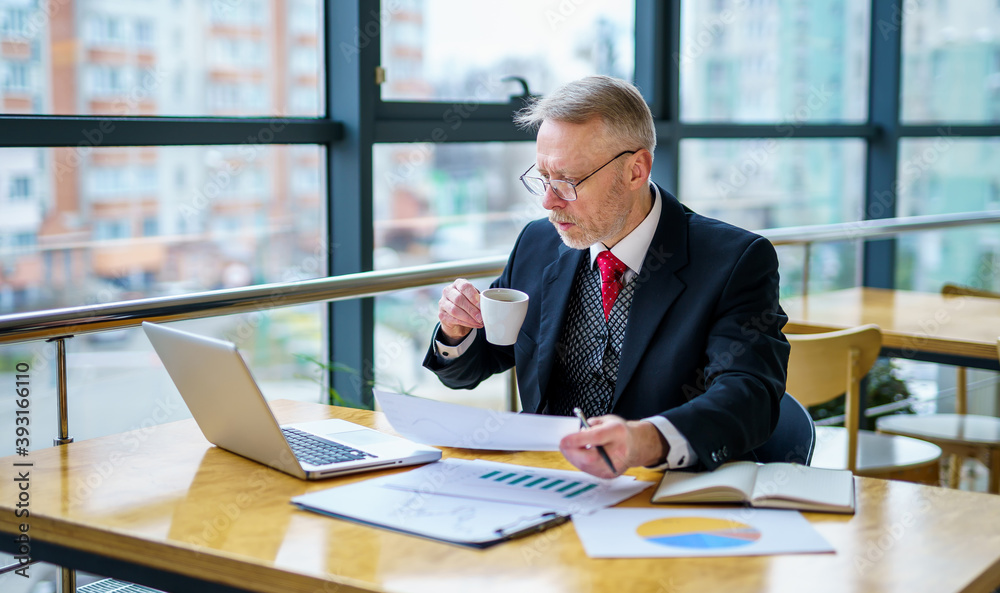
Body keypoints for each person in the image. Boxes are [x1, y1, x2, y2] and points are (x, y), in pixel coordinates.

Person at [422, 75, 789, 478]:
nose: (548, 202)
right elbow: (477, 365)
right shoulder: (538, 243)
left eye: (567, 181)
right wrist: (457, 334)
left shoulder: (733, 260)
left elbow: (750, 396)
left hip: (661, 495)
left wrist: (647, 440)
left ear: (635, 170)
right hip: (545, 483)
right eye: (542, 179)